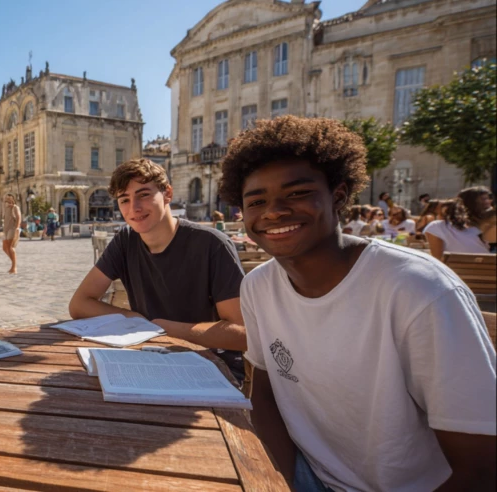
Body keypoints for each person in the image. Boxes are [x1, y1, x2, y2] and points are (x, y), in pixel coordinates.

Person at [218, 115, 495, 491]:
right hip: (309, 473)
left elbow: (481, 468)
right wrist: (274, 483)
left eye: (297, 193)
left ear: (339, 196)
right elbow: (264, 398)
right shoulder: (258, 287)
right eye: (256, 201)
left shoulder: (419, 291)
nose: (274, 211)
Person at [68, 158, 247, 379]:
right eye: (124, 199)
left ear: (168, 194)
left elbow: (241, 333)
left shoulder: (212, 244)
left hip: (213, 366)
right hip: (151, 358)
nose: (134, 208)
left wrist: (161, 328)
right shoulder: (125, 240)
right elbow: (79, 304)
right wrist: (133, 318)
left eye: (143, 194)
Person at [423, 199, 489, 258]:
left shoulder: (436, 226)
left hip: (458, 268)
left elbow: (437, 258)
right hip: (488, 266)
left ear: (442, 212)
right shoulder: (476, 228)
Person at [1, 193, 22, 274]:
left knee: (11, 247)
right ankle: (14, 263)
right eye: (6, 199)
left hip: (12, 229)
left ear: (13, 200)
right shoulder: (5, 208)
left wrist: (17, 228)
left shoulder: (15, 207)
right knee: (4, 248)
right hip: (5, 229)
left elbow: (18, 217)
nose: (8, 200)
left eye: (9, 198)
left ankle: (14, 267)